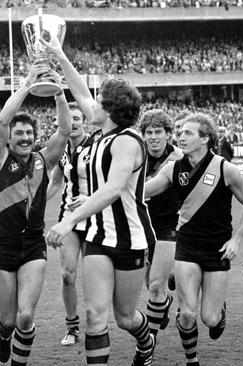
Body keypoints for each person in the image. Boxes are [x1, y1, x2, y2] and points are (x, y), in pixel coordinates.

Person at [43, 34, 157, 366]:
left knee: (124, 317)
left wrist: (67, 220)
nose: (90, 103)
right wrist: (60, 55)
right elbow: (78, 90)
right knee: (94, 314)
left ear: (108, 109)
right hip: (96, 237)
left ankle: (144, 339)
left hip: (128, 240)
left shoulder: (128, 142)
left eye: (98, 100)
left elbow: (112, 190)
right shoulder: (102, 133)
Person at [143, 113, 243, 366]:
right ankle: (191, 359)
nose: (180, 137)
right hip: (185, 246)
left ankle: (220, 312)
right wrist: (106, 191)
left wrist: (236, 240)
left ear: (205, 138)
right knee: (186, 313)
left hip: (217, 250)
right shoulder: (173, 168)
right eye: (180, 132)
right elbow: (143, 190)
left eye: (188, 133)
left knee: (210, 318)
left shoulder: (225, 168)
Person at [0, 62, 71, 365]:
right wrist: (27, 85)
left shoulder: (43, 160)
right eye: (18, 132)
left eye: (28, 132)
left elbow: (63, 130)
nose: (24, 137)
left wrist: (59, 94)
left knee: (25, 316)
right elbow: (0, 122)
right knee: (9, 320)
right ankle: (2, 334)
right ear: (9, 138)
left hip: (34, 245)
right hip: (3, 246)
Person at [46, 102, 100, 346]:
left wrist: (91, 199)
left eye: (77, 118)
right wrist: (34, 203)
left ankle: (96, 325)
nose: (74, 122)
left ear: (84, 121)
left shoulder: (98, 145)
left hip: (96, 218)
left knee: (93, 277)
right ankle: (72, 327)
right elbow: (56, 183)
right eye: (69, 119)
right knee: (67, 275)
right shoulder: (62, 150)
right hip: (68, 220)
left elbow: (113, 181)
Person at [139, 109, 183, 341]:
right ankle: (164, 302)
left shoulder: (180, 158)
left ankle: (148, 342)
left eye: (158, 132)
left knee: (158, 282)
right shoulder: (137, 156)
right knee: (149, 281)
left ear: (168, 134)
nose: (154, 137)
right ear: (143, 135)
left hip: (170, 224)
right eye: (149, 132)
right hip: (143, 224)